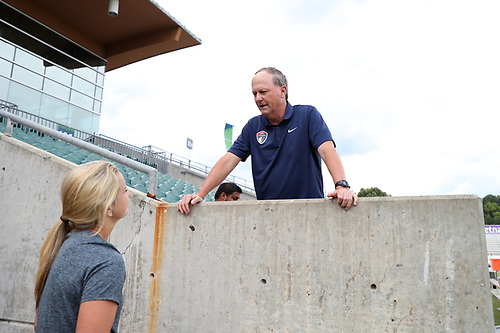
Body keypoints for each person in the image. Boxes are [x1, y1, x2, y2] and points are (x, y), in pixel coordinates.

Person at [177, 67, 358, 214]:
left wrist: (341, 185)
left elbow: (327, 150)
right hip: (268, 216)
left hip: (309, 213)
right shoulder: (252, 127)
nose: (258, 98)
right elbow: (228, 161)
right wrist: (200, 194)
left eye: (263, 92)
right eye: (254, 93)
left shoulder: (307, 115)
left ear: (282, 91)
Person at [34, 161, 130, 333]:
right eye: (125, 190)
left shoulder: (63, 244)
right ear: (108, 208)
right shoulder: (106, 262)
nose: (129, 193)